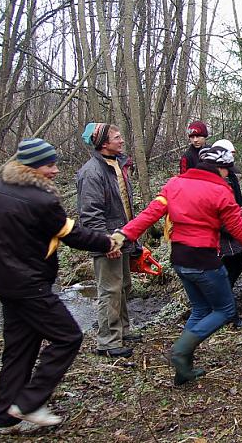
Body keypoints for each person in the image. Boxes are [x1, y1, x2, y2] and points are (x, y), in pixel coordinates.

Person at [0, 139, 115, 433]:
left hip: (6, 285)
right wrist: (108, 241)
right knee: (68, 337)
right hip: (31, 286)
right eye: (49, 165)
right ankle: (28, 404)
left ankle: (4, 417)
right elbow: (73, 234)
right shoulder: (42, 201)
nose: (54, 170)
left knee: (19, 349)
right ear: (31, 167)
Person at [113, 146, 242, 385]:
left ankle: (183, 370)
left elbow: (150, 214)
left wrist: (124, 235)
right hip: (204, 260)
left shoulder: (175, 184)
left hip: (180, 259)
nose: (229, 175)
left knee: (201, 310)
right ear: (218, 169)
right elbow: (238, 230)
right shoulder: (221, 192)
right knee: (225, 310)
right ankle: (180, 352)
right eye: (227, 170)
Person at [77, 122, 139, 358]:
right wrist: (105, 243)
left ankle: (122, 331)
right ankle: (109, 341)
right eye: (117, 136)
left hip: (121, 237)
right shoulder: (92, 172)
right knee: (110, 290)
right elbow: (90, 214)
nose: (122, 139)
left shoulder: (118, 165)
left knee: (123, 287)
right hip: (106, 241)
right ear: (104, 143)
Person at [211, 139, 242, 328]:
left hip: (235, 228)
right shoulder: (218, 180)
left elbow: (237, 204)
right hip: (225, 233)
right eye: (230, 155)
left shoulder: (231, 176)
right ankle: (226, 310)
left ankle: (223, 303)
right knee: (227, 268)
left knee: (239, 263)